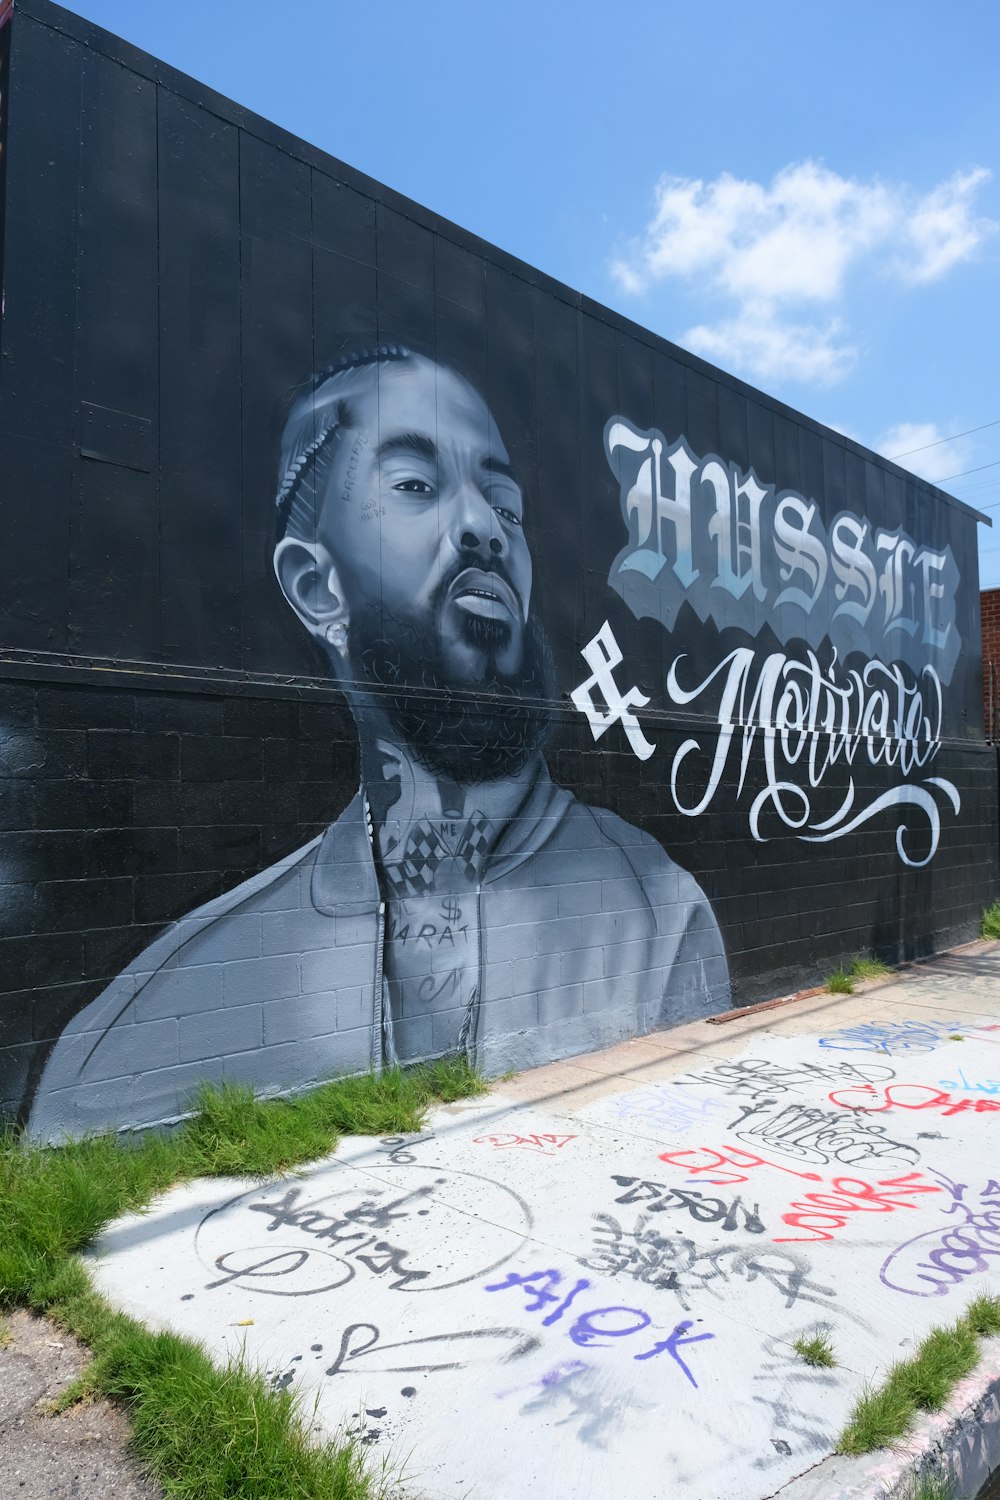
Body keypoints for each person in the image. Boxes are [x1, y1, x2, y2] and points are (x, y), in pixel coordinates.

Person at [28, 346, 729, 1140]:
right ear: (316, 587)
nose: (483, 529)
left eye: (505, 504)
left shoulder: (660, 919)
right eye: (416, 486)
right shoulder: (132, 1044)